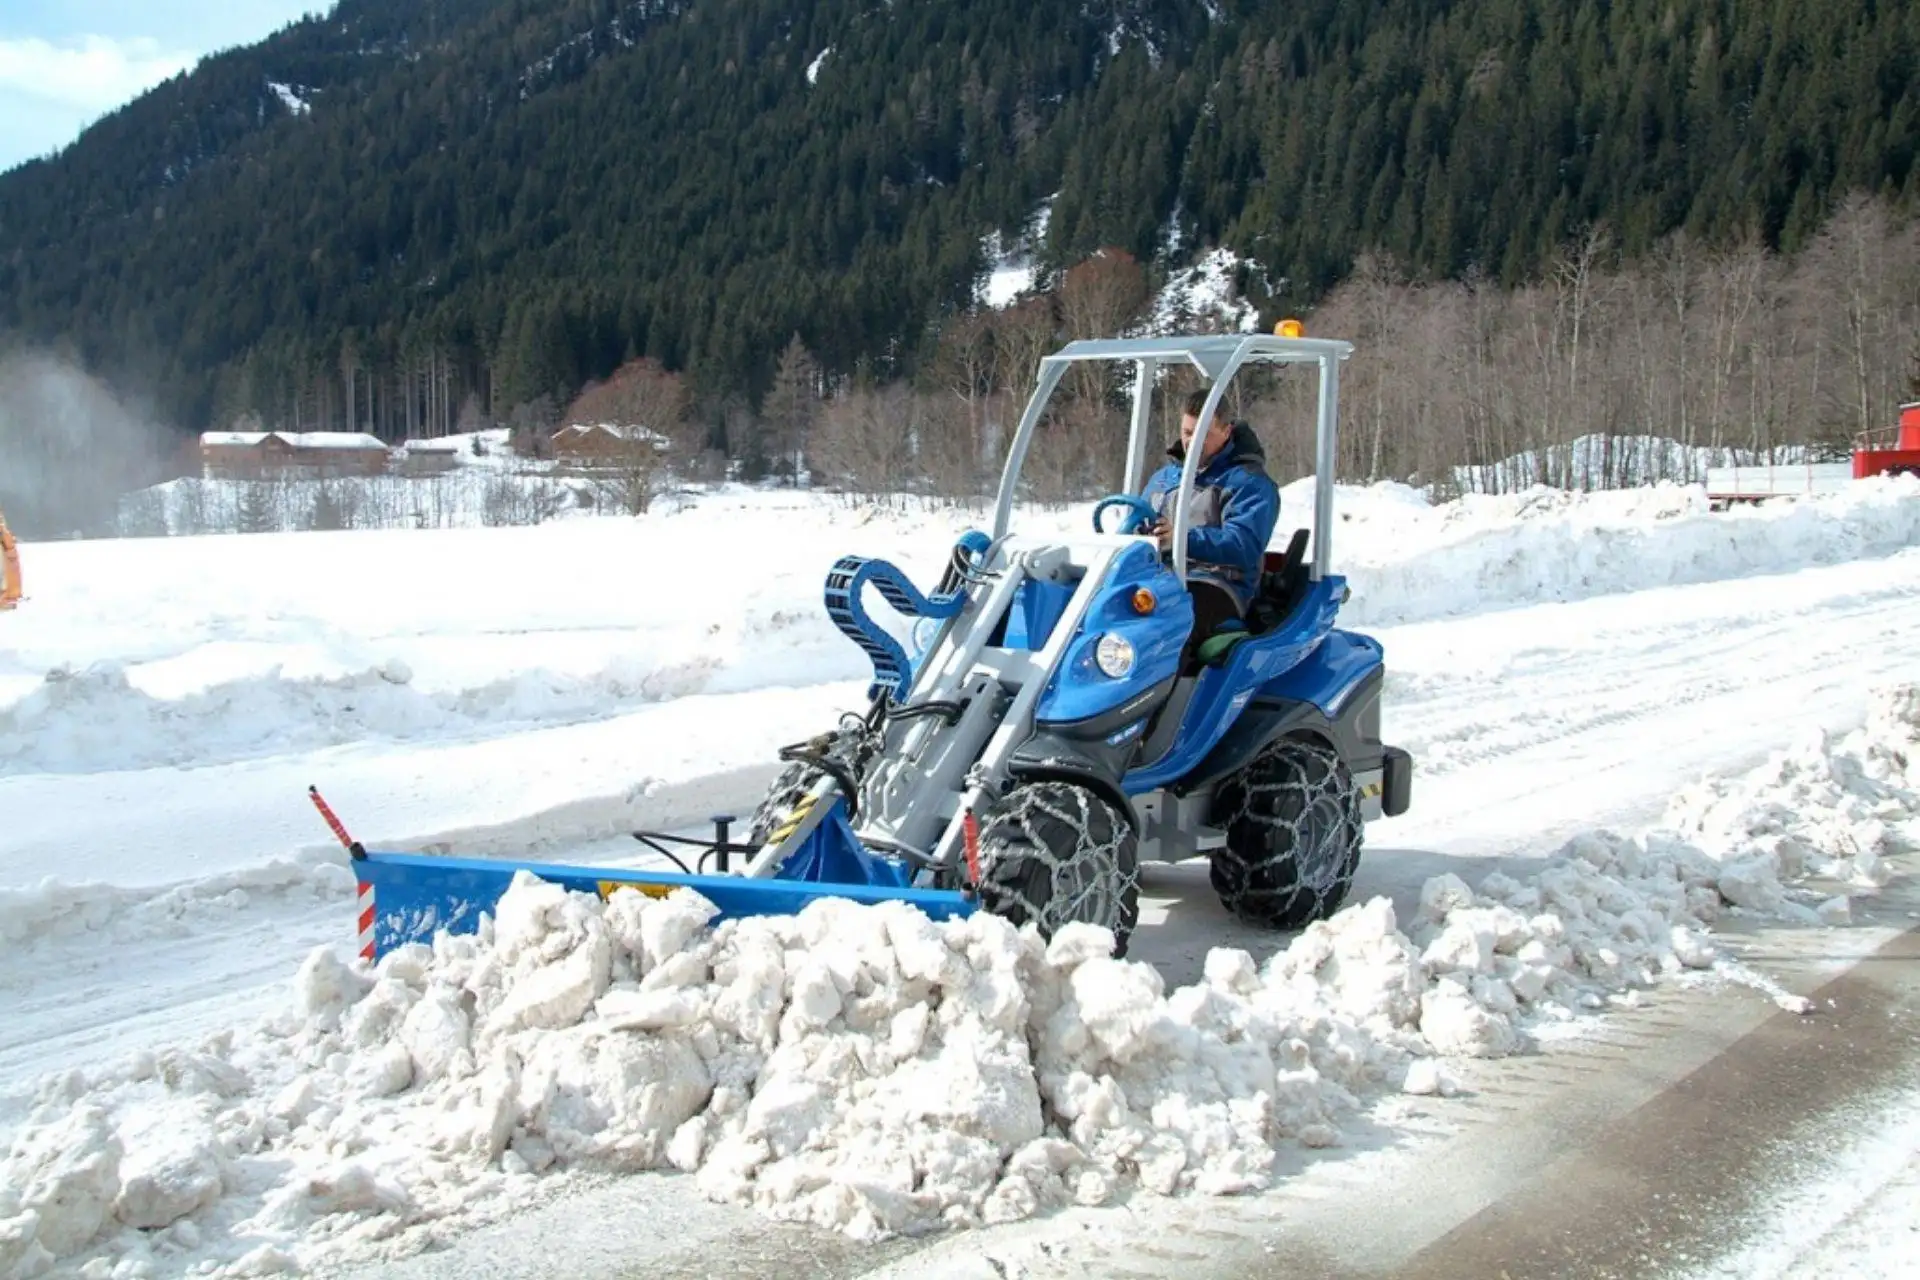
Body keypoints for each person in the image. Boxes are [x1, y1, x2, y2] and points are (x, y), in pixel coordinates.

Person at [1141, 388, 1280, 651]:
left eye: (1202, 434)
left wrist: (1181, 539)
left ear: (1226, 431)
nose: (1191, 442)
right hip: (1161, 577)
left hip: (1217, 584)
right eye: (1187, 433)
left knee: (1167, 629)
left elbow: (1244, 545)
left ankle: (1172, 678)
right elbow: (1138, 517)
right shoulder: (1164, 479)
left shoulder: (1248, 483)